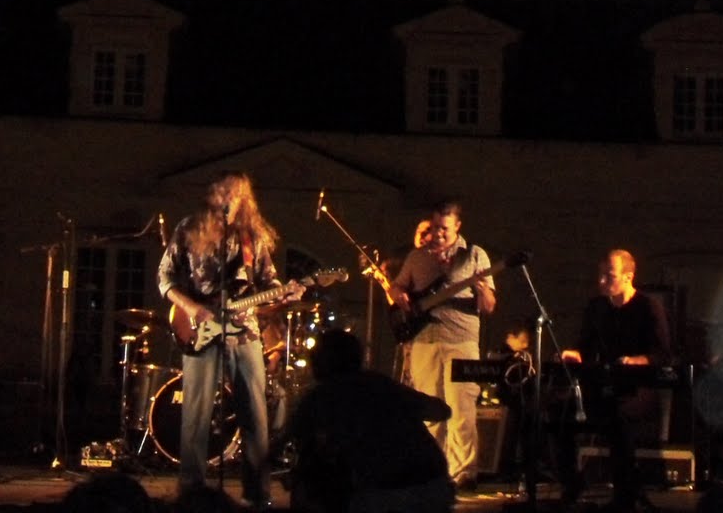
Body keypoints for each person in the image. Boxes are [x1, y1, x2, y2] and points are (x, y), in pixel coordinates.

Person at [158, 172, 298, 508]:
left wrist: (286, 293)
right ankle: (191, 493)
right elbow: (164, 277)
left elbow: (267, 283)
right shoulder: (189, 228)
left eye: (234, 195)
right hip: (200, 331)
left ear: (244, 199)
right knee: (196, 417)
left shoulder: (255, 237)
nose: (227, 199)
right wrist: (192, 307)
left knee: (255, 416)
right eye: (222, 193)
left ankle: (257, 494)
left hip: (245, 332)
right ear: (213, 197)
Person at [289, 328, 453, 513]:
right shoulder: (382, 383)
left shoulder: (321, 395)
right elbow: (441, 411)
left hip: (382, 494)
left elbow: (289, 436)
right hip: (433, 485)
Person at [390, 201, 495, 489]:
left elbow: (488, 307)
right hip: (424, 339)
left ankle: (464, 474)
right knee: (430, 410)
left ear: (458, 227)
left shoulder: (474, 255)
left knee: (461, 410)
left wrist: (481, 288)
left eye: (444, 229)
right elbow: (397, 285)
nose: (437, 234)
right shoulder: (417, 256)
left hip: (461, 341)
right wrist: (399, 294)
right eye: (435, 227)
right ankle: (434, 471)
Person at [559, 248, 671, 513]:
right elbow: (585, 347)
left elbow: (662, 352)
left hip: (638, 389)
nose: (601, 282)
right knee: (560, 414)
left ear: (628, 277)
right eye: (601, 275)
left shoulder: (648, 306)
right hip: (605, 386)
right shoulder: (597, 308)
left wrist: (637, 361)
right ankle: (571, 484)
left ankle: (624, 496)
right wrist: (574, 354)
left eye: (608, 276)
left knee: (619, 420)